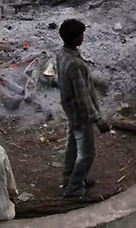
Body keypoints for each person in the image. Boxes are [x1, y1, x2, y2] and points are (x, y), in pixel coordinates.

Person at [57, 19, 111, 199]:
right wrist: (98, 120)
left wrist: (95, 82)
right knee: (87, 154)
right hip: (81, 115)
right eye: (80, 35)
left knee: (72, 146)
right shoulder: (75, 64)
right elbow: (83, 97)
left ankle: (69, 179)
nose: (83, 37)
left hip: (70, 110)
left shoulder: (62, 54)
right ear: (74, 38)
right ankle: (74, 189)